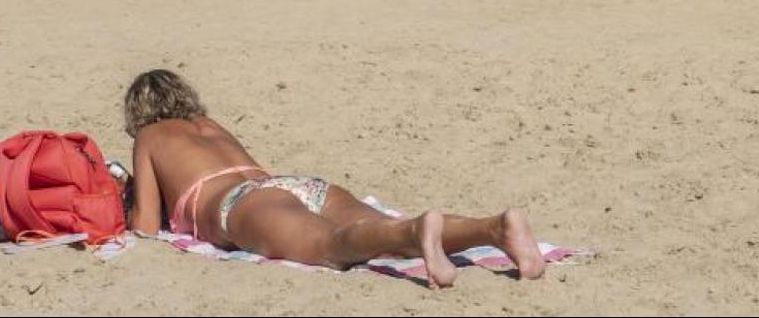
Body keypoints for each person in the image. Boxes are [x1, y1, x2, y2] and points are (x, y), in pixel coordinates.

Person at [121, 69, 546, 288]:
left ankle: (417, 230)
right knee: (371, 227)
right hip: (294, 184)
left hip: (240, 204)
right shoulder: (207, 123)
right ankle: (494, 227)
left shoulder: (150, 135)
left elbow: (145, 224)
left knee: (332, 248)